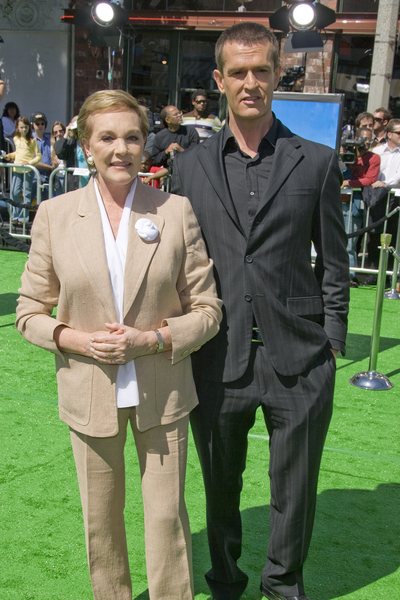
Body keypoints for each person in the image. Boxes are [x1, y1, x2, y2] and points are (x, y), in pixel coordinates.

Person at [16, 89, 222, 600]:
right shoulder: (55, 215)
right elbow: (28, 313)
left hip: (164, 393)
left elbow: (208, 310)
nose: (121, 148)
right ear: (86, 145)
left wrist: (152, 339)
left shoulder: (175, 210)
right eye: (107, 137)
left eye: (132, 136)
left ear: (145, 143)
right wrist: (78, 340)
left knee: (168, 519)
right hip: (88, 394)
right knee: (101, 524)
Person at [172, 22, 349, 600]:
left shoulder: (318, 162)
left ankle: (283, 587)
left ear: (278, 75)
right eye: (239, 73)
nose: (251, 83)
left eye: (262, 71)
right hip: (216, 357)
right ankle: (225, 581)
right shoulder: (189, 167)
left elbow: (335, 260)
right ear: (219, 80)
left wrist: (333, 339)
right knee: (220, 489)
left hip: (298, 359)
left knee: (294, 493)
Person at [341, 126, 380, 287]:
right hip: (337, 200)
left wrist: (348, 183)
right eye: (363, 139)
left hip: (355, 204)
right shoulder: (345, 155)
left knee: (350, 240)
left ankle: (349, 275)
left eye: (369, 140)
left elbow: (370, 179)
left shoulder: (374, 158)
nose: (366, 143)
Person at [363, 118, 400, 283]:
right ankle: (373, 273)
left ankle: (390, 274)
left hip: (395, 198)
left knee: (392, 236)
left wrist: (387, 184)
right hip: (377, 197)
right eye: (398, 132)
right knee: (374, 235)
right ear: (390, 134)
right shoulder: (377, 151)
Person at [6, 116, 41, 223]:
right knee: (14, 192)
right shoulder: (16, 139)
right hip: (17, 169)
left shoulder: (33, 140)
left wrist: (29, 163)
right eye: (21, 127)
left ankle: (23, 218)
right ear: (17, 127)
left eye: (25, 127)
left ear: (28, 128)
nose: (24, 130)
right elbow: (19, 152)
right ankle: (15, 216)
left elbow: (38, 156)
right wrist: (10, 156)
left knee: (26, 194)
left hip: (28, 171)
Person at [53, 115, 90, 190]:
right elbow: (59, 153)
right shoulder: (70, 142)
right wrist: (66, 134)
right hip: (74, 183)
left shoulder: (90, 142)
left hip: (89, 181)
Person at [30, 111, 53, 201]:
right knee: (27, 203)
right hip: (33, 176)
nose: (40, 126)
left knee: (46, 204)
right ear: (33, 125)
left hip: (48, 176)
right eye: (37, 124)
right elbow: (32, 160)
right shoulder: (30, 139)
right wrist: (50, 167)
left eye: (42, 123)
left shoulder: (50, 139)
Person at [50, 121, 67, 196]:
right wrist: (54, 165)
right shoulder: (53, 146)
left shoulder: (68, 142)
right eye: (55, 132)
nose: (59, 134)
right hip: (58, 175)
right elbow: (53, 164)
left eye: (61, 131)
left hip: (67, 174)